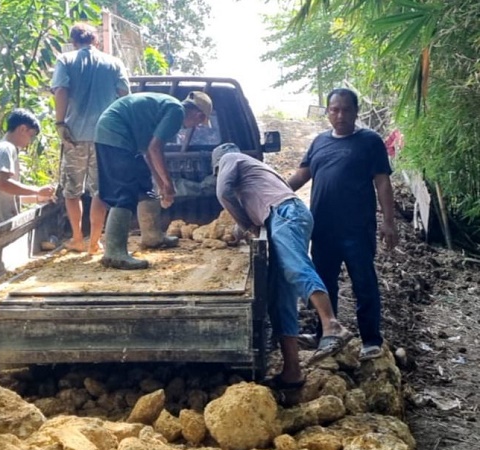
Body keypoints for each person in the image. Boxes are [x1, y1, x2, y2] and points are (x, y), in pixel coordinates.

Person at [212, 142, 353, 389]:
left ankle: (332, 325)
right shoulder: (255, 176)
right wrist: (238, 230)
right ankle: (292, 371)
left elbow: (222, 193)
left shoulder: (230, 158)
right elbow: (245, 215)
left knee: (294, 267)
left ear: (218, 164)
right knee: (281, 297)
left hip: (286, 214)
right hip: (281, 216)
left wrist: (246, 226)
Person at [288, 88, 398, 361]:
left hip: (357, 229)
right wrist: (272, 191)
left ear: (356, 112)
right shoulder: (319, 142)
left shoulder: (369, 141)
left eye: (346, 109)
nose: (340, 115)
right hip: (323, 228)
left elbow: (382, 181)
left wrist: (389, 221)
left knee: (364, 283)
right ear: (327, 112)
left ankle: (370, 339)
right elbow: (301, 176)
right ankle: (323, 332)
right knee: (323, 283)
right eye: (334, 110)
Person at [94, 91, 212, 270]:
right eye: (199, 122)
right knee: (124, 193)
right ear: (198, 115)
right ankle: (114, 253)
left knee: (144, 186)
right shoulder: (176, 111)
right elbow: (155, 148)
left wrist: (161, 183)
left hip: (121, 135)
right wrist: (169, 184)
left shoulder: (169, 108)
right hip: (114, 134)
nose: (196, 126)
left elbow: (149, 153)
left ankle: (152, 237)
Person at [51, 22, 130, 254]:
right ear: (95, 41)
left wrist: (60, 123)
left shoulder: (66, 60)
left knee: (72, 191)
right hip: (105, 138)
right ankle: (95, 242)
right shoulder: (114, 63)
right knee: (101, 191)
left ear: (74, 41)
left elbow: (61, 91)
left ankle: (77, 238)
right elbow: (125, 95)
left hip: (74, 136)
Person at [0, 109, 56, 230]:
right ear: (22, 129)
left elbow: (6, 194)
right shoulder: (7, 149)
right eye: (31, 136)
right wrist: (37, 190)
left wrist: (37, 198)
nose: (30, 141)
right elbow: (3, 184)